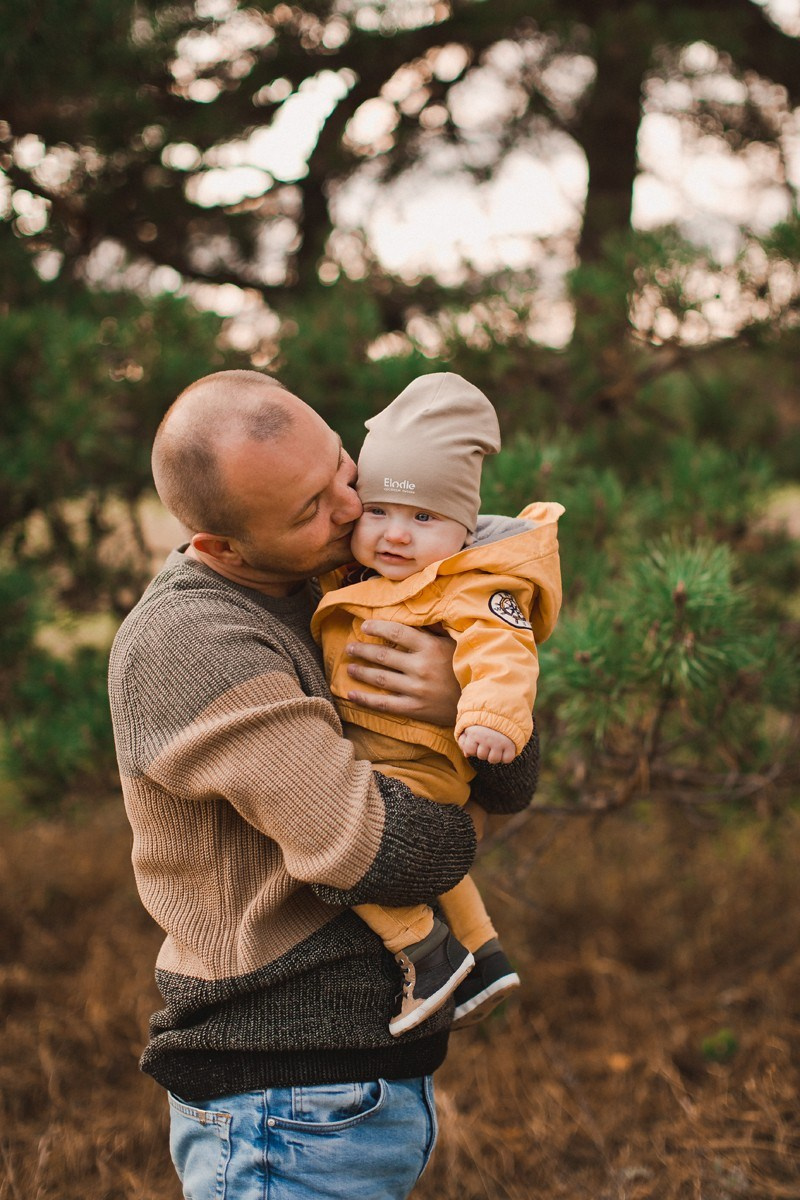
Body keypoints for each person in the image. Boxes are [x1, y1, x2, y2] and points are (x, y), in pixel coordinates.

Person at [107, 369, 543, 1200]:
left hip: (364, 1084)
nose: (354, 510)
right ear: (221, 548)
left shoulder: (347, 580)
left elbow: (511, 775)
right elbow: (377, 849)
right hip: (281, 1099)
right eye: (311, 509)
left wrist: (462, 698)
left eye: (342, 469)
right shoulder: (193, 641)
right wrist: (468, 816)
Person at [312, 373, 563, 1038]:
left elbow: (504, 653)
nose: (396, 535)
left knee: (341, 849)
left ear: (463, 528)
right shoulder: (358, 576)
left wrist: (489, 718)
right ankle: (484, 955)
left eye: (423, 518)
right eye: (378, 512)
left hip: (418, 759)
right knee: (431, 864)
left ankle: (427, 952)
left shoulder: (466, 588)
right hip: (389, 753)